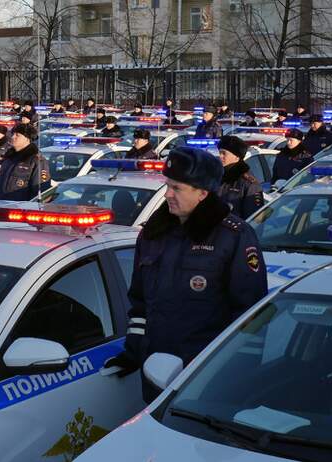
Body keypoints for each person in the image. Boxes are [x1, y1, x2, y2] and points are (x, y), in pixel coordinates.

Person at [104, 146, 268, 403]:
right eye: (167, 186)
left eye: (177, 188)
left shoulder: (233, 236)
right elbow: (140, 303)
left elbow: (250, 316)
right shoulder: (153, 234)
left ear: (203, 193)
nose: (167, 194)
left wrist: (238, 375)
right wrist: (133, 352)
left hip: (206, 379)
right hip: (155, 371)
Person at [0, 123, 50, 201]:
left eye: (17, 135)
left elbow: (41, 193)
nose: (13, 137)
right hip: (1, 205)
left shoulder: (36, 161)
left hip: (21, 207)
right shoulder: (8, 159)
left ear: (27, 138)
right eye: (13, 134)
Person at [217, 135, 264, 219]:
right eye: (219, 153)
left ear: (237, 157)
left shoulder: (248, 183)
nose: (220, 156)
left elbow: (254, 218)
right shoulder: (216, 176)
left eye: (224, 153)